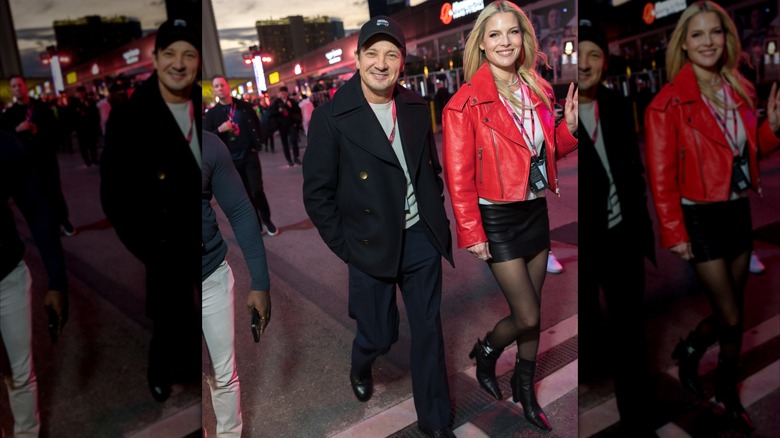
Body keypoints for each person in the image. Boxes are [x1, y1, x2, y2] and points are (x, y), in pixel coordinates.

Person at [302, 15, 456, 438]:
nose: (382, 63)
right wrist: (348, 247)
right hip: (369, 245)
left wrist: (435, 219)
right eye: (373, 53)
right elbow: (316, 195)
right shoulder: (332, 117)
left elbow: (430, 172)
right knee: (380, 334)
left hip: (419, 238)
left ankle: (436, 422)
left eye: (391, 54)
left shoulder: (413, 108)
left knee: (428, 331)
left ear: (403, 61)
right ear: (359, 58)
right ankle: (362, 360)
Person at [441, 1, 577, 431]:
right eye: (495, 34)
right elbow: (458, 177)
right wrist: (471, 231)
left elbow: (540, 153)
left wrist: (569, 130)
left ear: (524, 38)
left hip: (534, 210)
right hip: (496, 220)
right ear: (481, 43)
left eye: (512, 33)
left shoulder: (538, 88)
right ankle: (487, 351)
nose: (505, 42)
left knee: (532, 308)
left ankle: (524, 387)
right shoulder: (463, 105)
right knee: (528, 316)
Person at [644, 2, 780, 433]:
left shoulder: (739, 88)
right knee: (734, 317)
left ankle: (691, 349)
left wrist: (773, 129)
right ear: (684, 43)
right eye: (698, 34)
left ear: (727, 38)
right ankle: (725, 387)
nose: (708, 42)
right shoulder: (666, 104)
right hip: (698, 219)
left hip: (736, 209)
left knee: (731, 311)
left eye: (715, 33)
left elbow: (744, 152)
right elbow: (660, 177)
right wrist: (674, 231)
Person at [100, 17, 202, 404]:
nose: (179, 63)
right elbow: (115, 197)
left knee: (207, 318)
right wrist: (152, 249)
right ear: (156, 59)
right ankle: (159, 367)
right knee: (169, 318)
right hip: (164, 244)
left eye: (188, 54)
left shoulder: (201, 107)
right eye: (170, 53)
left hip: (205, 239)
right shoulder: (130, 118)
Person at [577, 19, 658, 436]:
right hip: (586, 245)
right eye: (580, 53)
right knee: (589, 332)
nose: (587, 62)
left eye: (595, 54)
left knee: (630, 337)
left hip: (623, 237)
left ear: (605, 62)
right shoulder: (558, 112)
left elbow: (633, 173)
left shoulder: (614, 103)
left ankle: (640, 422)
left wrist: (644, 229)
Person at [202, 130, 271, 437]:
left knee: (223, 374)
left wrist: (260, 281)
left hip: (211, 277)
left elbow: (242, 212)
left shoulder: (208, 145)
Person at [1, 129, 69, 437]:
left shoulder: (2, 141)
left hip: (6, 277)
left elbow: (37, 206)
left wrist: (56, 280)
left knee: (19, 373)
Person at [1, 75, 77, 236]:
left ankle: (64, 221)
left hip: (46, 158)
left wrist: (37, 132)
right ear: (11, 90)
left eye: (19, 85)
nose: (17, 89)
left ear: (25, 87)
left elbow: (56, 130)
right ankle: (52, 225)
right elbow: (7, 139)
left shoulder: (41, 107)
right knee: (39, 196)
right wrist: (17, 130)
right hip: (26, 162)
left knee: (54, 191)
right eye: (13, 86)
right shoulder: (10, 114)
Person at [204, 75, 278, 236]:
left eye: (222, 85)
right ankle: (256, 224)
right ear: (214, 90)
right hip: (230, 161)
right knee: (246, 195)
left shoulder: (244, 107)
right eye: (216, 86)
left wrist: (259, 142)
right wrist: (220, 130)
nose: (220, 89)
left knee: (258, 190)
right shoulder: (212, 114)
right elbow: (207, 138)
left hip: (250, 155)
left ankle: (267, 220)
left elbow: (257, 125)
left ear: (227, 86)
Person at [270, 86, 302, 167]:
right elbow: (271, 113)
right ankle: (289, 159)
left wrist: (291, 107)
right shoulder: (276, 102)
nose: (283, 95)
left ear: (287, 93)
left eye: (285, 93)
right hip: (282, 125)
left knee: (294, 141)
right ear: (280, 94)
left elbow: (298, 110)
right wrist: (279, 111)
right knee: (285, 143)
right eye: (282, 93)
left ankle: (296, 157)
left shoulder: (291, 101)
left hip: (291, 124)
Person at [70, 85, 101, 167]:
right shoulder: (74, 103)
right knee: (83, 146)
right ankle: (87, 161)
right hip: (80, 128)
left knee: (92, 144)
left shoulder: (90, 101)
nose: (81, 94)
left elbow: (95, 113)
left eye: (82, 92)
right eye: (79, 92)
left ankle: (94, 159)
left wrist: (95, 124)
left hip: (90, 126)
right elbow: (72, 115)